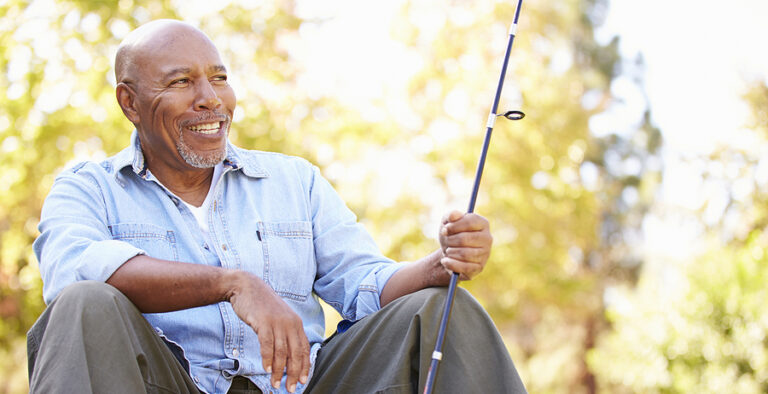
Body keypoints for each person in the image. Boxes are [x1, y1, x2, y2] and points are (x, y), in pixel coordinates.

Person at [27, 19, 527, 394]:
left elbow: (365, 285)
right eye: (181, 82)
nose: (210, 99)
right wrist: (232, 284)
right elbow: (76, 272)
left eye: (219, 78)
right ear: (129, 102)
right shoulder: (87, 188)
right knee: (85, 303)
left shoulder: (295, 181)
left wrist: (438, 265)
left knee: (439, 306)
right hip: (172, 384)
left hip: (302, 385)